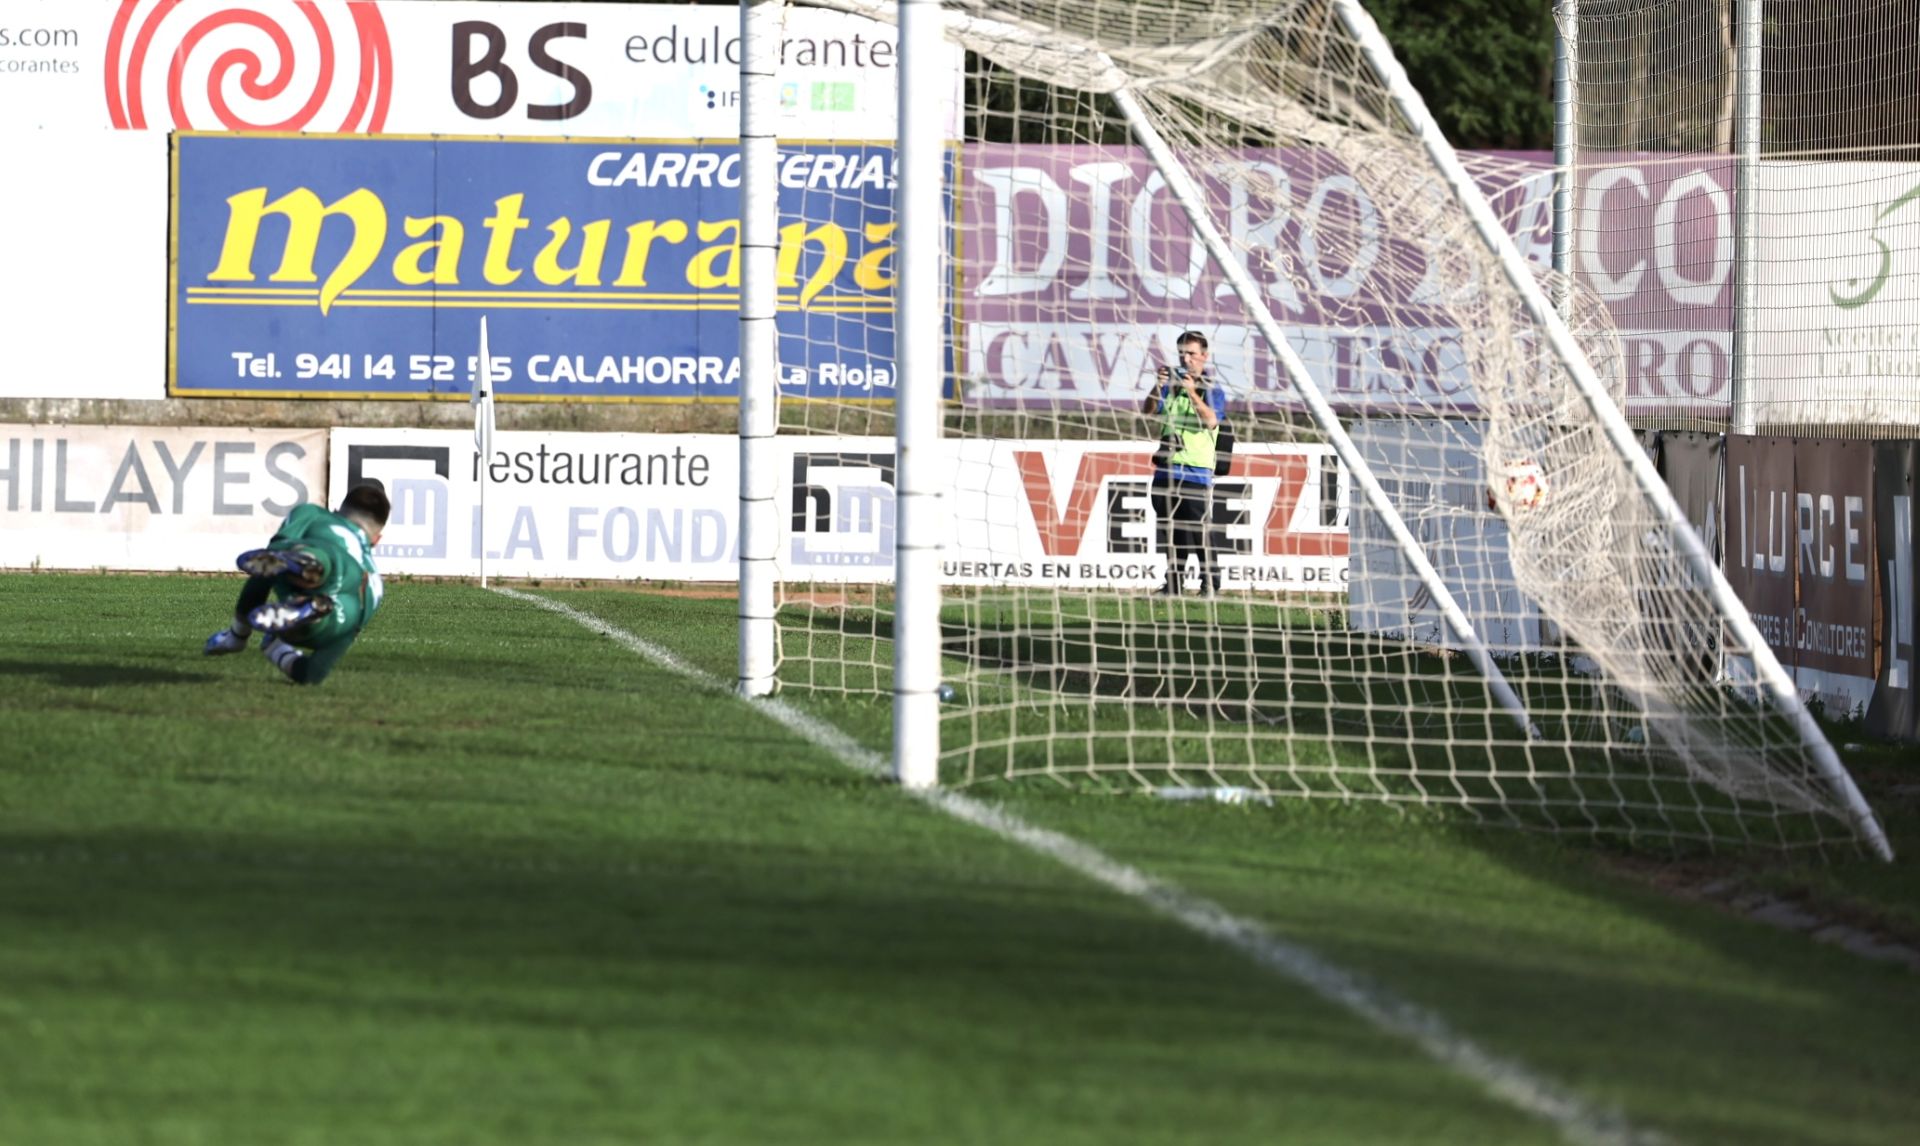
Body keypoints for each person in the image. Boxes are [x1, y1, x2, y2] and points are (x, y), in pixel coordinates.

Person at [202, 482, 391, 685]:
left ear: (337, 511)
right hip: (344, 617)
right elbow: (313, 675)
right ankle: (313, 615)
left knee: (307, 556)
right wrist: (281, 654)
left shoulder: (314, 515)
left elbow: (266, 568)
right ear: (376, 540)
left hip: (331, 560)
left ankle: (307, 564)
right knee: (330, 615)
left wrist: (238, 635)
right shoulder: (375, 584)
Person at [1141, 330, 1227, 596]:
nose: (1186, 358)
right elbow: (1147, 411)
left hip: (1195, 472)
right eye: (1181, 353)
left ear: (1204, 356)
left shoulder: (1212, 389)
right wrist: (1158, 385)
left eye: (1191, 353)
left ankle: (1210, 585)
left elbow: (1211, 420)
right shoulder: (1170, 388)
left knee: (1200, 531)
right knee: (1169, 531)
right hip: (1166, 470)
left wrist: (1191, 392)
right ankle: (1174, 586)